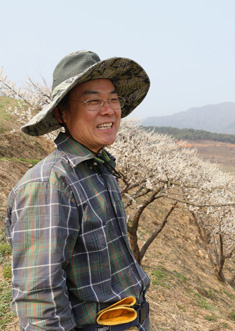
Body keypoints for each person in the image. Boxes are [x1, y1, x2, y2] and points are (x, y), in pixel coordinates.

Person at [5, 50, 151, 331]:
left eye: (113, 99)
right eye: (93, 100)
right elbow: (38, 300)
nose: (108, 110)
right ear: (62, 112)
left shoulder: (98, 169)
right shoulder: (49, 185)